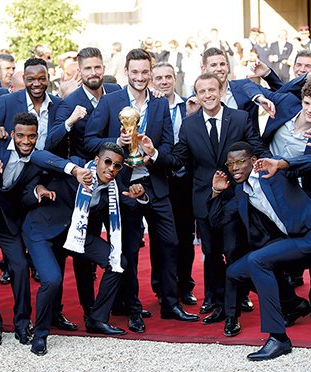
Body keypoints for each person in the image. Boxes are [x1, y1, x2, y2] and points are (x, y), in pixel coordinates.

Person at [0, 112, 92, 348]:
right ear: (13, 134)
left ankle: (22, 322)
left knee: (20, 266)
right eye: (22, 136)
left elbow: (53, 162)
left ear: (37, 136)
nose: (26, 141)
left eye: (32, 137)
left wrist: (69, 174)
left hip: (7, 220)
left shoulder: (35, 157)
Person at [85, 49, 199, 332]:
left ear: (151, 72)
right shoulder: (111, 102)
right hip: (122, 188)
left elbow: (171, 150)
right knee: (130, 251)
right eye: (134, 72)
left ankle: (171, 303)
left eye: (144, 72)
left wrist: (153, 154)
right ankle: (133, 308)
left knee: (171, 243)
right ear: (126, 71)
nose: (140, 77)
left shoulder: (160, 104)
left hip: (155, 184)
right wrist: (117, 142)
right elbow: (89, 141)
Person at [157, 73, 270, 323]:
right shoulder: (189, 125)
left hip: (235, 197)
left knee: (233, 250)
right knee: (211, 253)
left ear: (220, 91)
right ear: (196, 95)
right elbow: (178, 158)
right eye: (202, 92)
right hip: (205, 198)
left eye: (212, 90)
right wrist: (153, 154)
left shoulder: (239, 118)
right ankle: (218, 302)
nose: (207, 95)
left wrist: (270, 163)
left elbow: (256, 147)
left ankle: (232, 310)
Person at [209, 142, 311, 360]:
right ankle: (293, 305)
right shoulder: (241, 191)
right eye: (230, 164)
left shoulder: (273, 171)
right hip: (289, 243)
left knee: (258, 260)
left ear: (253, 159)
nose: (235, 168)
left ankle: (279, 338)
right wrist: (215, 192)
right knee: (236, 271)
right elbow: (217, 220)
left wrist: (282, 163)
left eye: (240, 161)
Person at [23, 142, 146, 355]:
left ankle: (96, 319)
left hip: (76, 233)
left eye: (117, 166)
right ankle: (41, 333)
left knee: (117, 263)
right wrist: (74, 170)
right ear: (97, 161)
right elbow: (38, 156)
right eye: (107, 162)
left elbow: (131, 204)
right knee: (52, 279)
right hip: (42, 229)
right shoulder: (78, 165)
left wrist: (140, 196)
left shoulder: (113, 187)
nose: (111, 169)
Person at [244, 79, 311, 323]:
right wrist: (260, 99)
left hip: (308, 197)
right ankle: (290, 303)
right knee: (275, 247)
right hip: (271, 191)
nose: (310, 109)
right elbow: (245, 85)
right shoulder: (285, 103)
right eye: (307, 103)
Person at [46, 47, 122, 326]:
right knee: (77, 253)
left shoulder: (115, 97)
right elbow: (51, 144)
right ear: (80, 71)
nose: (94, 73)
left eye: (98, 67)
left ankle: (112, 306)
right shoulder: (69, 103)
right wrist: (69, 122)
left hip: (112, 186)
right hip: (79, 190)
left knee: (115, 248)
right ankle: (84, 310)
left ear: (104, 68)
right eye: (88, 68)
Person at [151, 62, 197, 306]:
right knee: (161, 238)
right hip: (159, 178)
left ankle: (185, 285)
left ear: (175, 79)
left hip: (184, 179)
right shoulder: (149, 105)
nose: (164, 81)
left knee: (185, 236)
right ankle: (161, 287)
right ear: (152, 80)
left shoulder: (188, 105)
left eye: (168, 77)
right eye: (159, 78)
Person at [0, 58, 62, 154]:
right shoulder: (7, 102)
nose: (37, 84)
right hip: (15, 166)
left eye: (42, 79)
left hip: (49, 165)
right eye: (31, 79)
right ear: (24, 78)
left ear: (48, 77)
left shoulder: (58, 104)